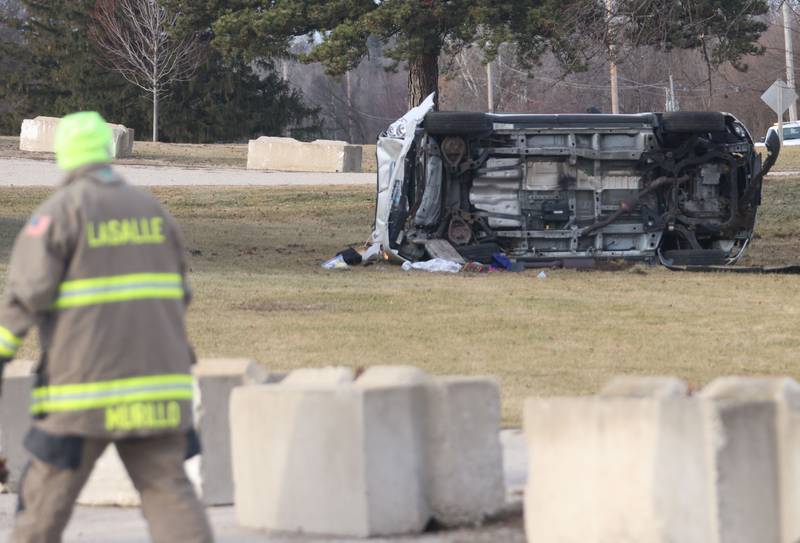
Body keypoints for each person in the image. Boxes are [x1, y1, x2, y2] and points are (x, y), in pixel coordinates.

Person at [0, 111, 213, 543]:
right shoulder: (153, 212)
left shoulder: (59, 214)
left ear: (63, 155)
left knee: (42, 505)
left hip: (83, 394)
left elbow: (22, 302)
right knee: (170, 494)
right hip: (158, 389)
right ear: (108, 151)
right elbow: (180, 295)